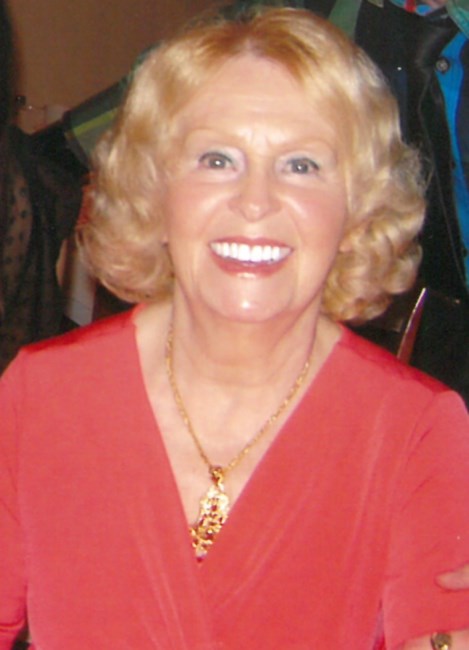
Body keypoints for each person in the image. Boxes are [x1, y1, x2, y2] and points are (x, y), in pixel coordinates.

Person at [1, 6, 469, 649]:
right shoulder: (44, 396)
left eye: (301, 165)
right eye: (217, 159)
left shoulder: (416, 431)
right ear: (155, 190)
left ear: (357, 208)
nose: (255, 202)